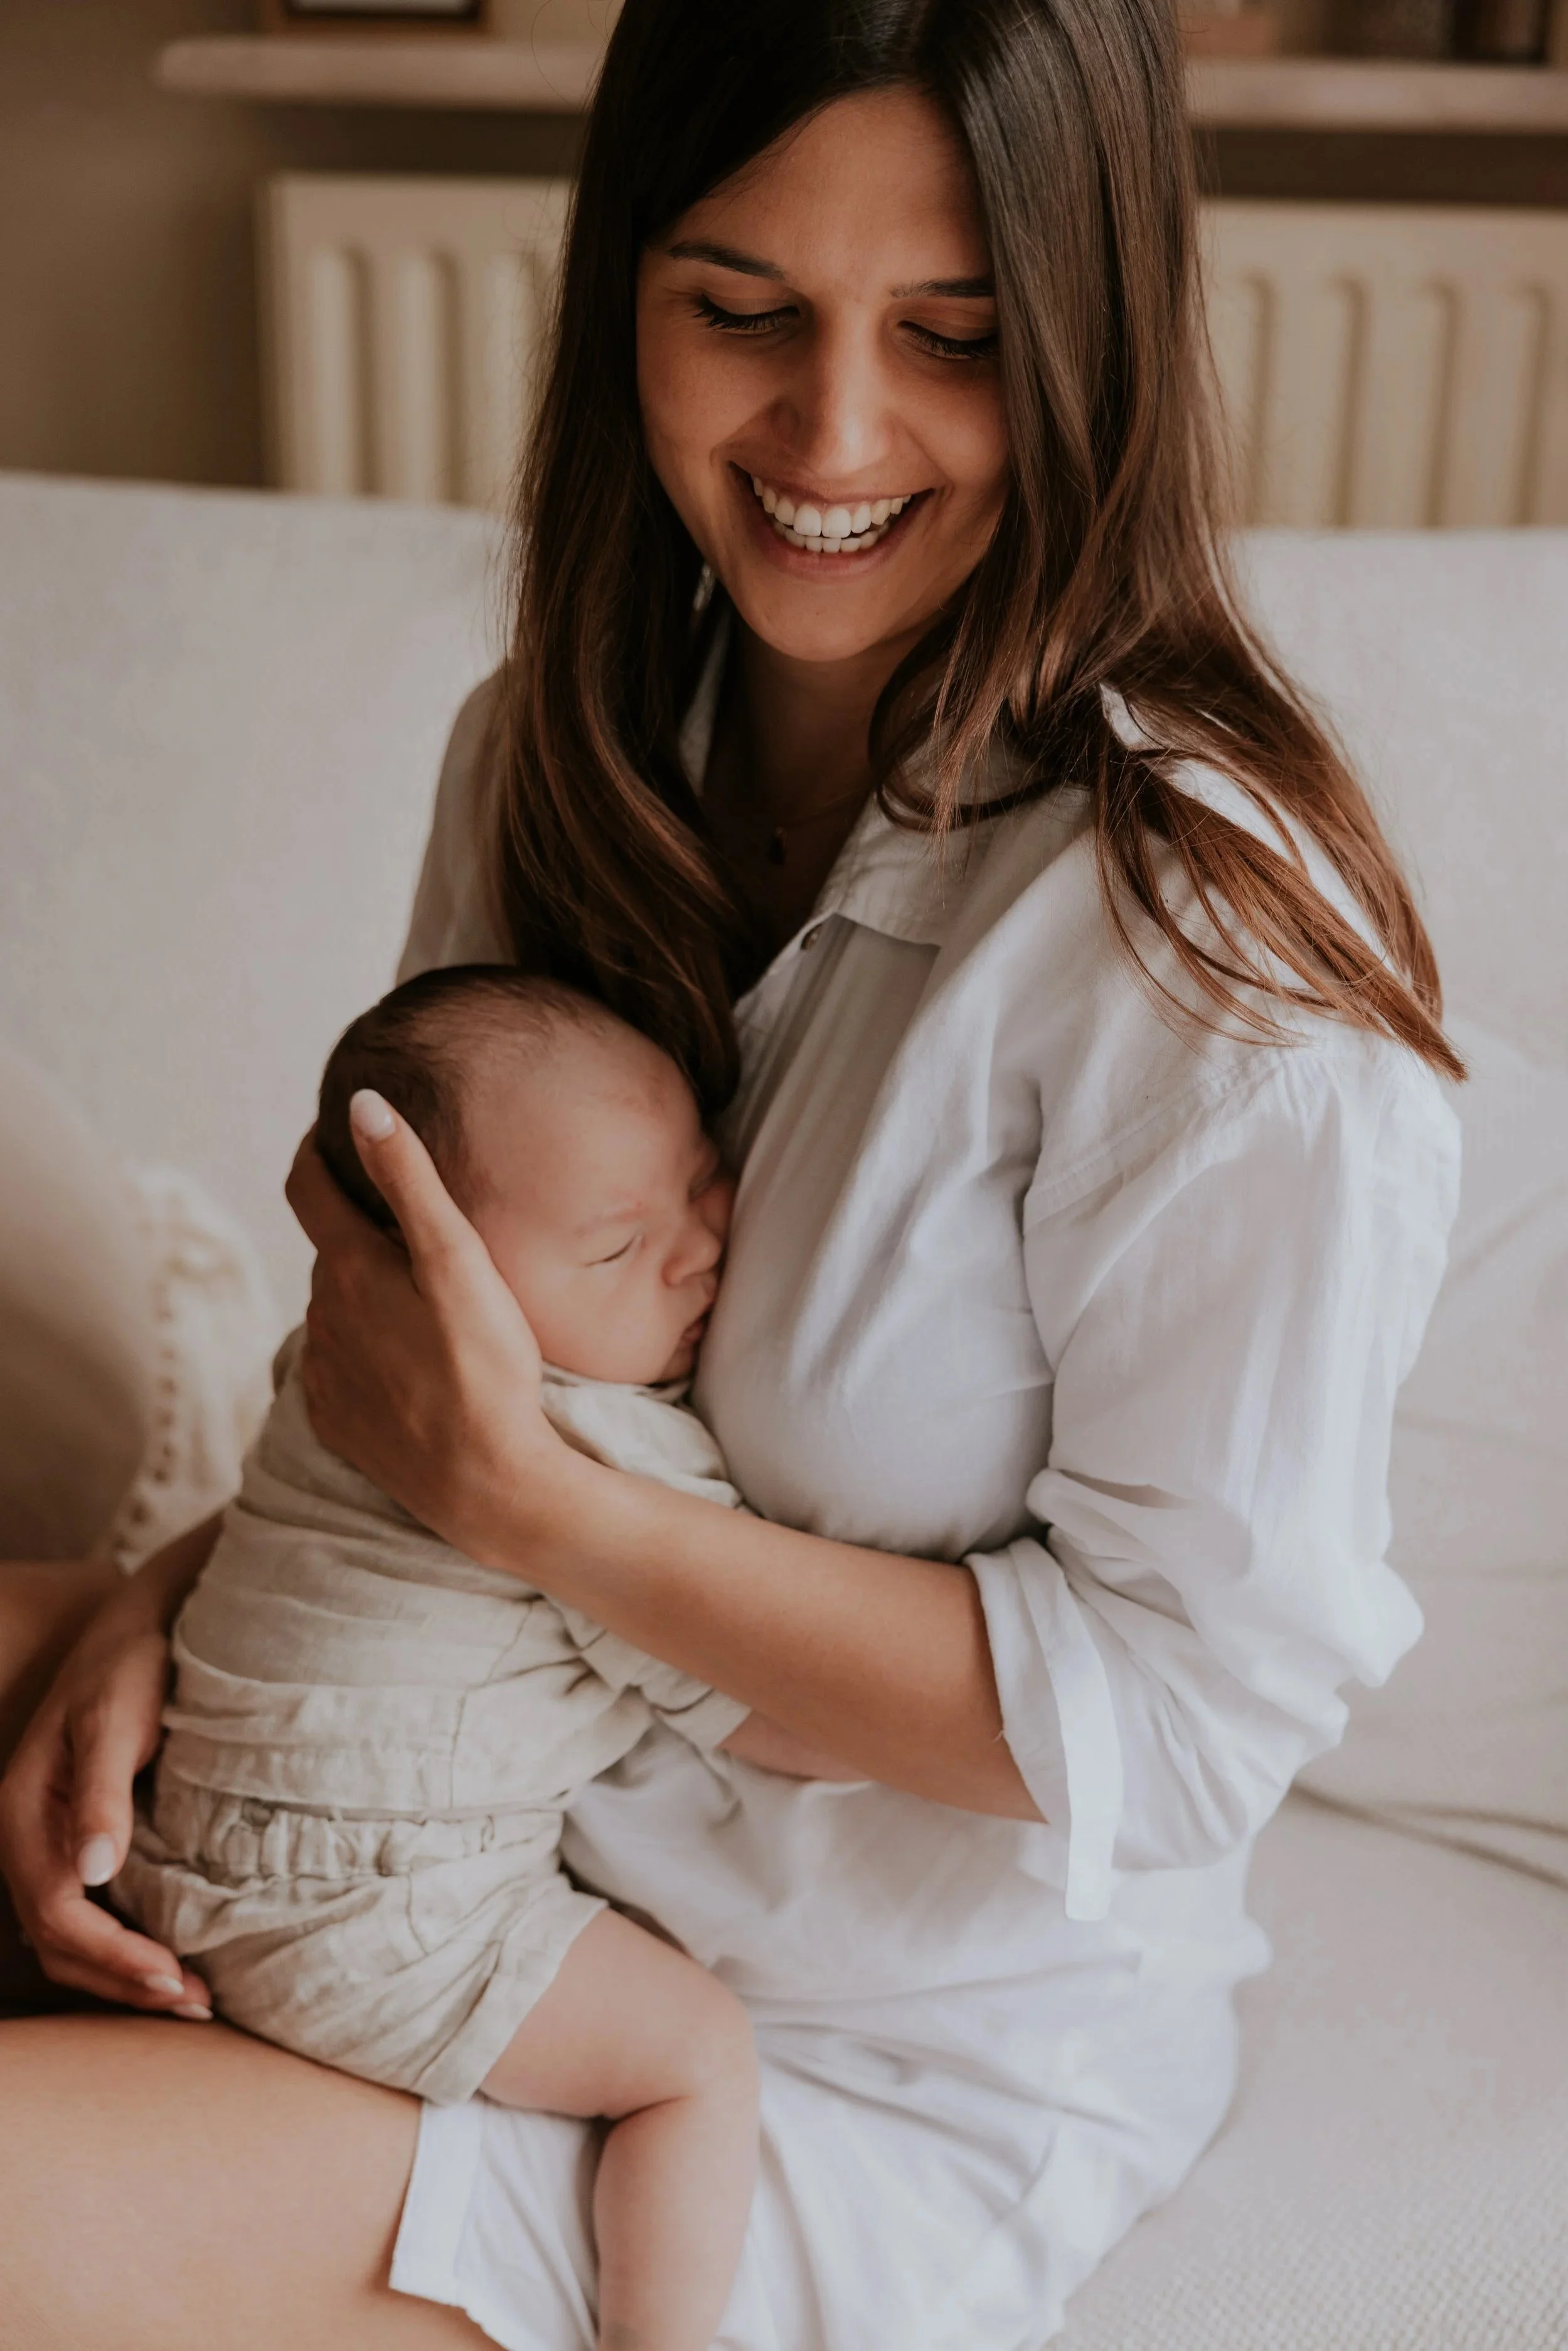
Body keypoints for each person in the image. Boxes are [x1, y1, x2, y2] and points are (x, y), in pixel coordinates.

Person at [0, 0, 1463, 2344]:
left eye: (955, 336)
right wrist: (180, 1600)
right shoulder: (557, 751)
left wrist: (535, 1512)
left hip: (816, 2042)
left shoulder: (1201, 956)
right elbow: (444, 1345)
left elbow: (1174, 1728)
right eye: (741, 310)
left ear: (1092, 347)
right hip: (442, 1773)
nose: (833, 433)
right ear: (621, 295)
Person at [115, 965, 853, 2351]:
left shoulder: (332, 1363)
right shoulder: (599, 1451)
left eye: (702, 1180)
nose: (698, 1251)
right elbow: (785, 1712)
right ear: (442, 1270)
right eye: (615, 1249)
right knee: (696, 2056)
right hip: (386, 1916)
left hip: (180, 1843)